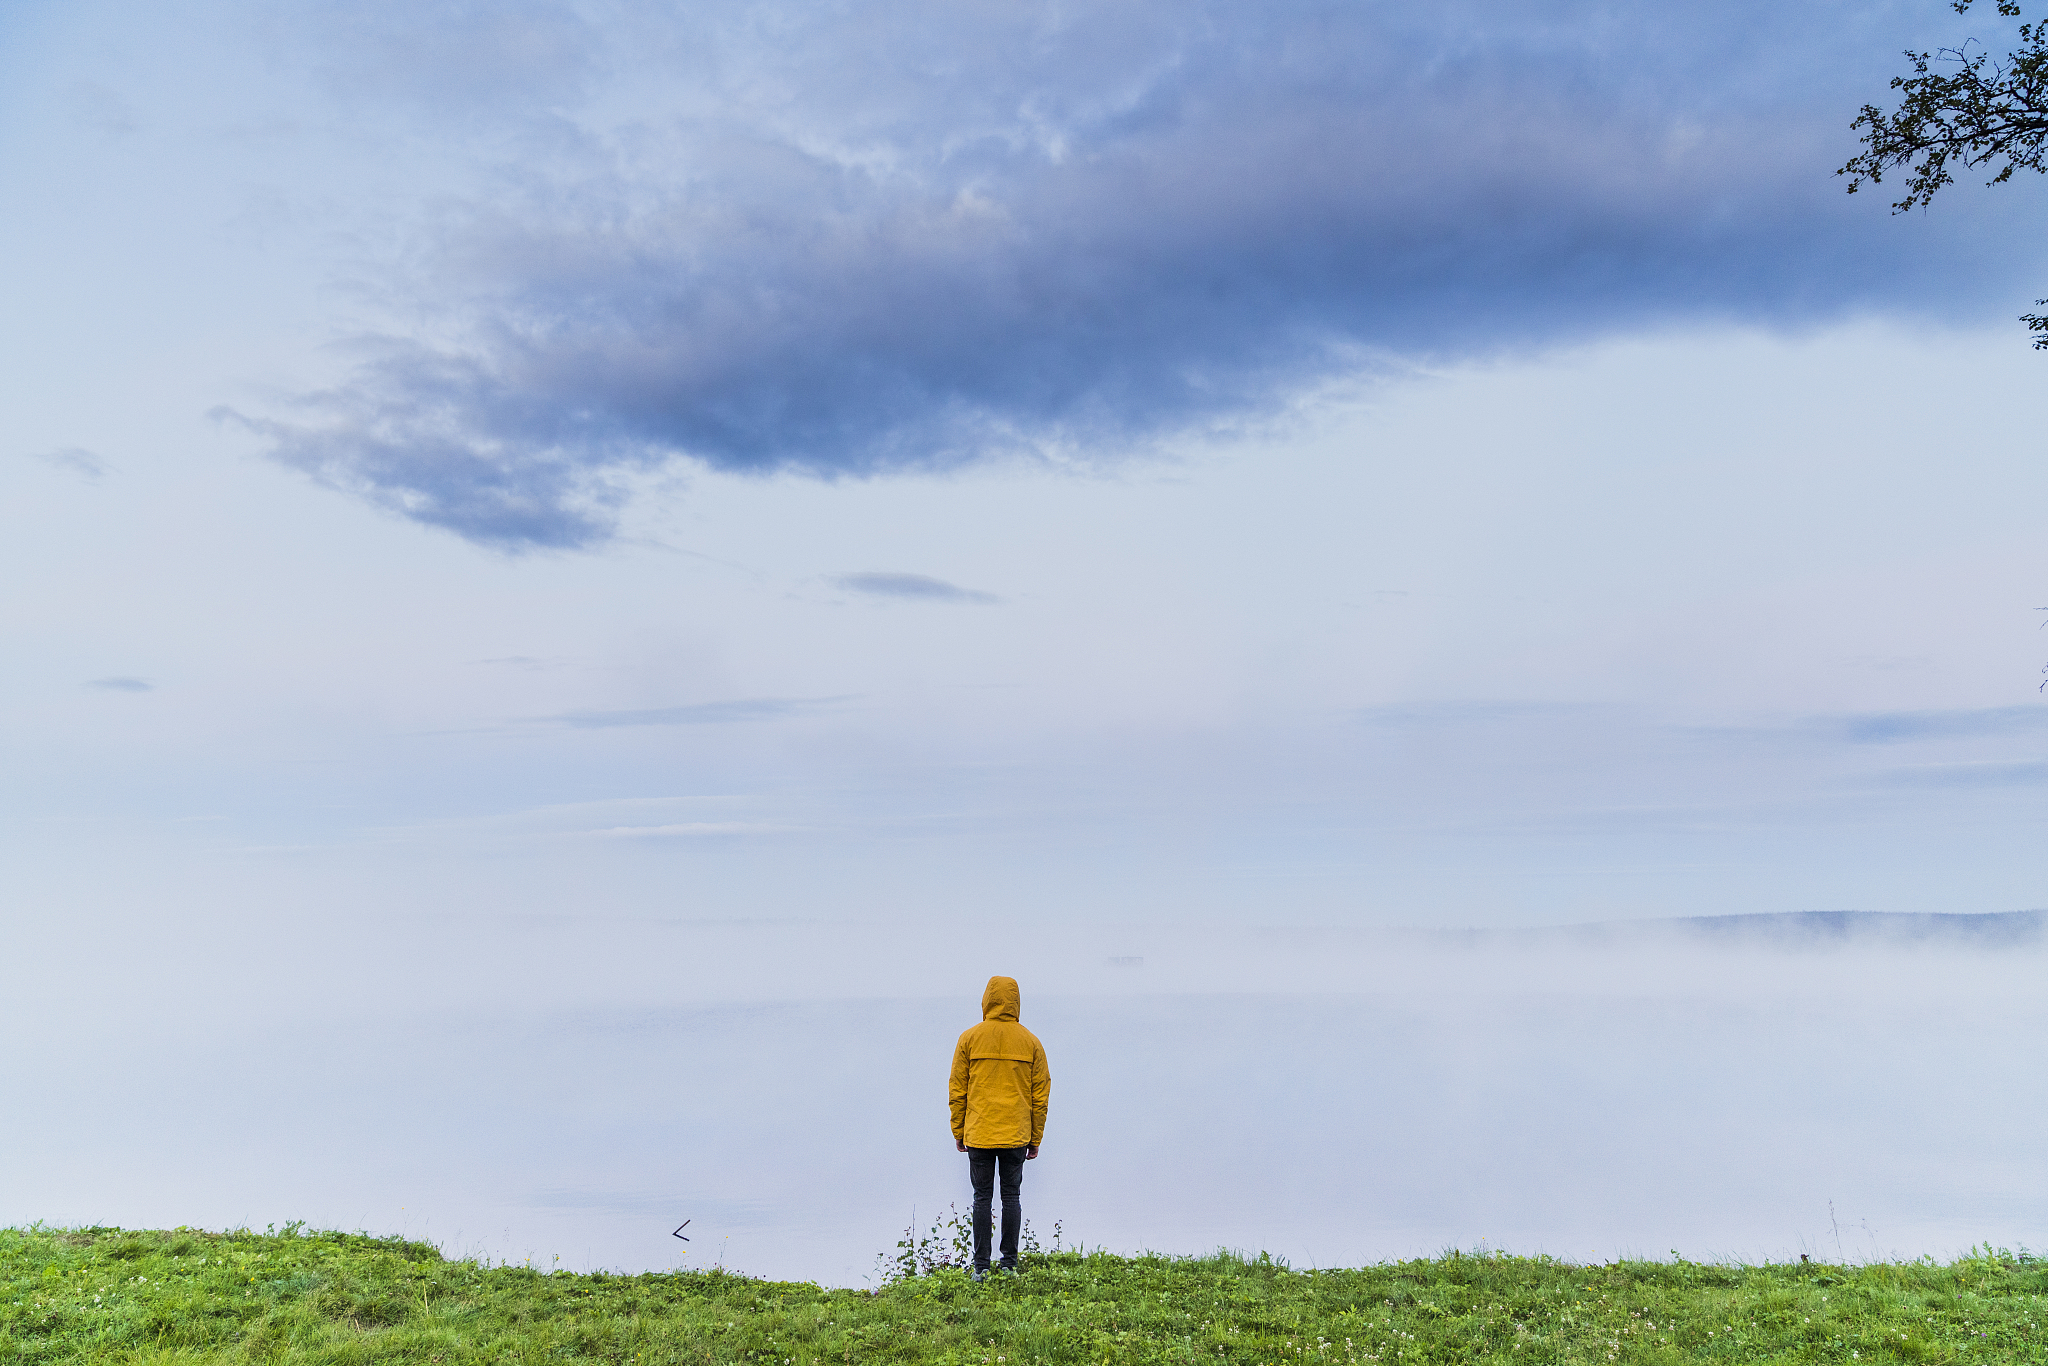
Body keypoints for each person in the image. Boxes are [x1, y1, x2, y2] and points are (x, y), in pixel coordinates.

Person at [948, 975, 1050, 1280]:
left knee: (981, 1198)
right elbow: (1040, 1095)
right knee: (1011, 1198)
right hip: (1016, 1134)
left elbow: (957, 1089)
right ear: (1016, 1001)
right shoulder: (1031, 1042)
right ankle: (1008, 1264)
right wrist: (1035, 1137)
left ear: (987, 1000)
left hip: (979, 1132)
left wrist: (958, 1130)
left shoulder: (969, 1039)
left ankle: (980, 1267)